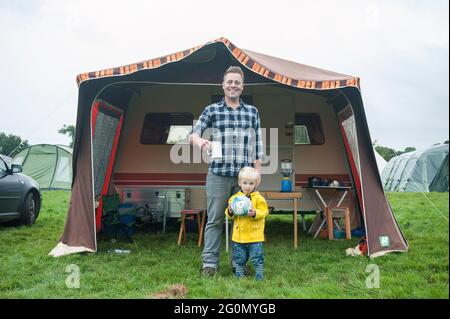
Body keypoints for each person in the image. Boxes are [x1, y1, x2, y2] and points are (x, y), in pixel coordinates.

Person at [189, 66, 264, 277]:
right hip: (217, 175)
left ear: (242, 87)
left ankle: (238, 263)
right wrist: (200, 140)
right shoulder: (212, 110)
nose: (233, 85)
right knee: (215, 220)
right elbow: (193, 133)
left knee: (241, 220)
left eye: (237, 83)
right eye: (229, 82)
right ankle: (209, 264)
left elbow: (258, 144)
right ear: (223, 85)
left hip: (244, 179)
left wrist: (257, 174)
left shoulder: (252, 112)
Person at [226, 167, 268, 280]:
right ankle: (239, 276)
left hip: (255, 237)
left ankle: (259, 275)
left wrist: (255, 213)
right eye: (245, 183)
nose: (248, 186)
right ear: (240, 183)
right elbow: (228, 213)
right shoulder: (234, 199)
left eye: (251, 183)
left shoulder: (259, 199)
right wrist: (230, 211)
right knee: (239, 258)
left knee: (256, 257)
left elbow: (264, 212)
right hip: (239, 237)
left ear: (256, 183)